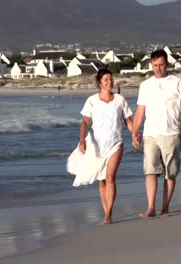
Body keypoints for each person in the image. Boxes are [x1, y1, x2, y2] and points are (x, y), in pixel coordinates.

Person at [132, 49, 181, 218]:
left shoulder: (177, 82)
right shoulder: (145, 85)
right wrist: (135, 131)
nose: (158, 68)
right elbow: (140, 111)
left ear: (166, 64)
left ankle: (165, 208)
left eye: (161, 65)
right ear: (151, 65)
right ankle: (150, 208)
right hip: (150, 134)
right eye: (155, 65)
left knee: (170, 173)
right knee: (150, 170)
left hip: (171, 133)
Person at [67, 69, 133, 224]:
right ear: (99, 83)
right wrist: (82, 141)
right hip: (97, 146)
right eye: (106, 80)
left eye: (111, 79)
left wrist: (136, 134)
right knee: (102, 180)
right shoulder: (92, 100)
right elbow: (84, 122)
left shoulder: (120, 100)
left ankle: (108, 215)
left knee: (110, 178)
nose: (109, 82)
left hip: (116, 143)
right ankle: (106, 212)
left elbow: (129, 122)